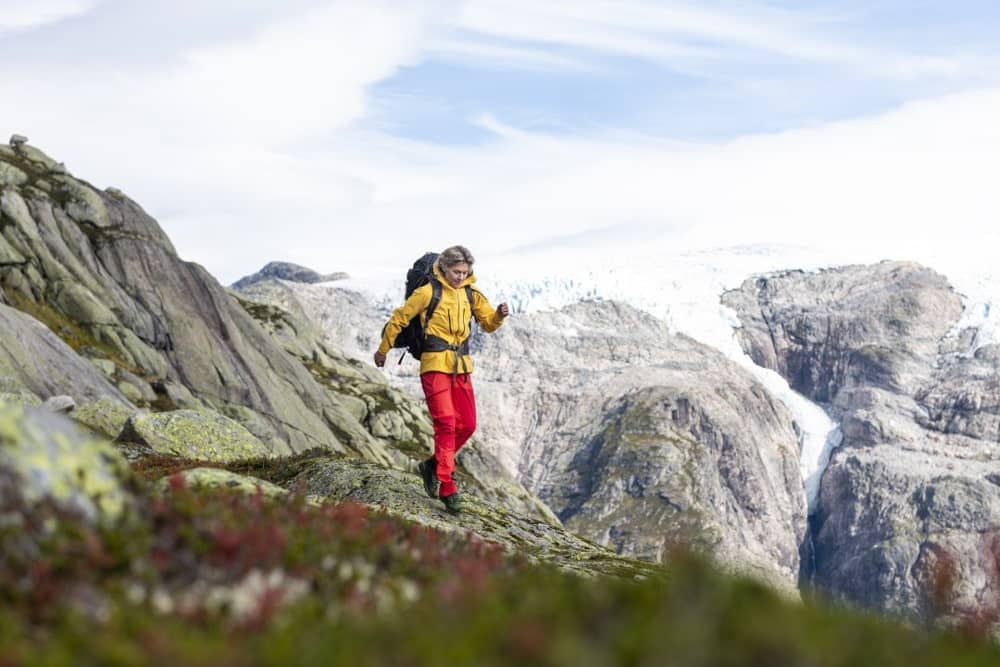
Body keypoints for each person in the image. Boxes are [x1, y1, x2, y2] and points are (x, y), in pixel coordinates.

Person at [374, 245, 509, 515]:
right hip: (434, 363)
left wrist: (498, 316)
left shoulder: (471, 294)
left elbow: (487, 324)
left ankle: (433, 465)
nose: (460, 276)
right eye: (456, 271)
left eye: (465, 272)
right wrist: (383, 349)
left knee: (468, 425)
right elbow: (399, 319)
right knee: (446, 423)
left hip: (461, 366)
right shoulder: (427, 292)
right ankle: (447, 486)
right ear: (444, 268)